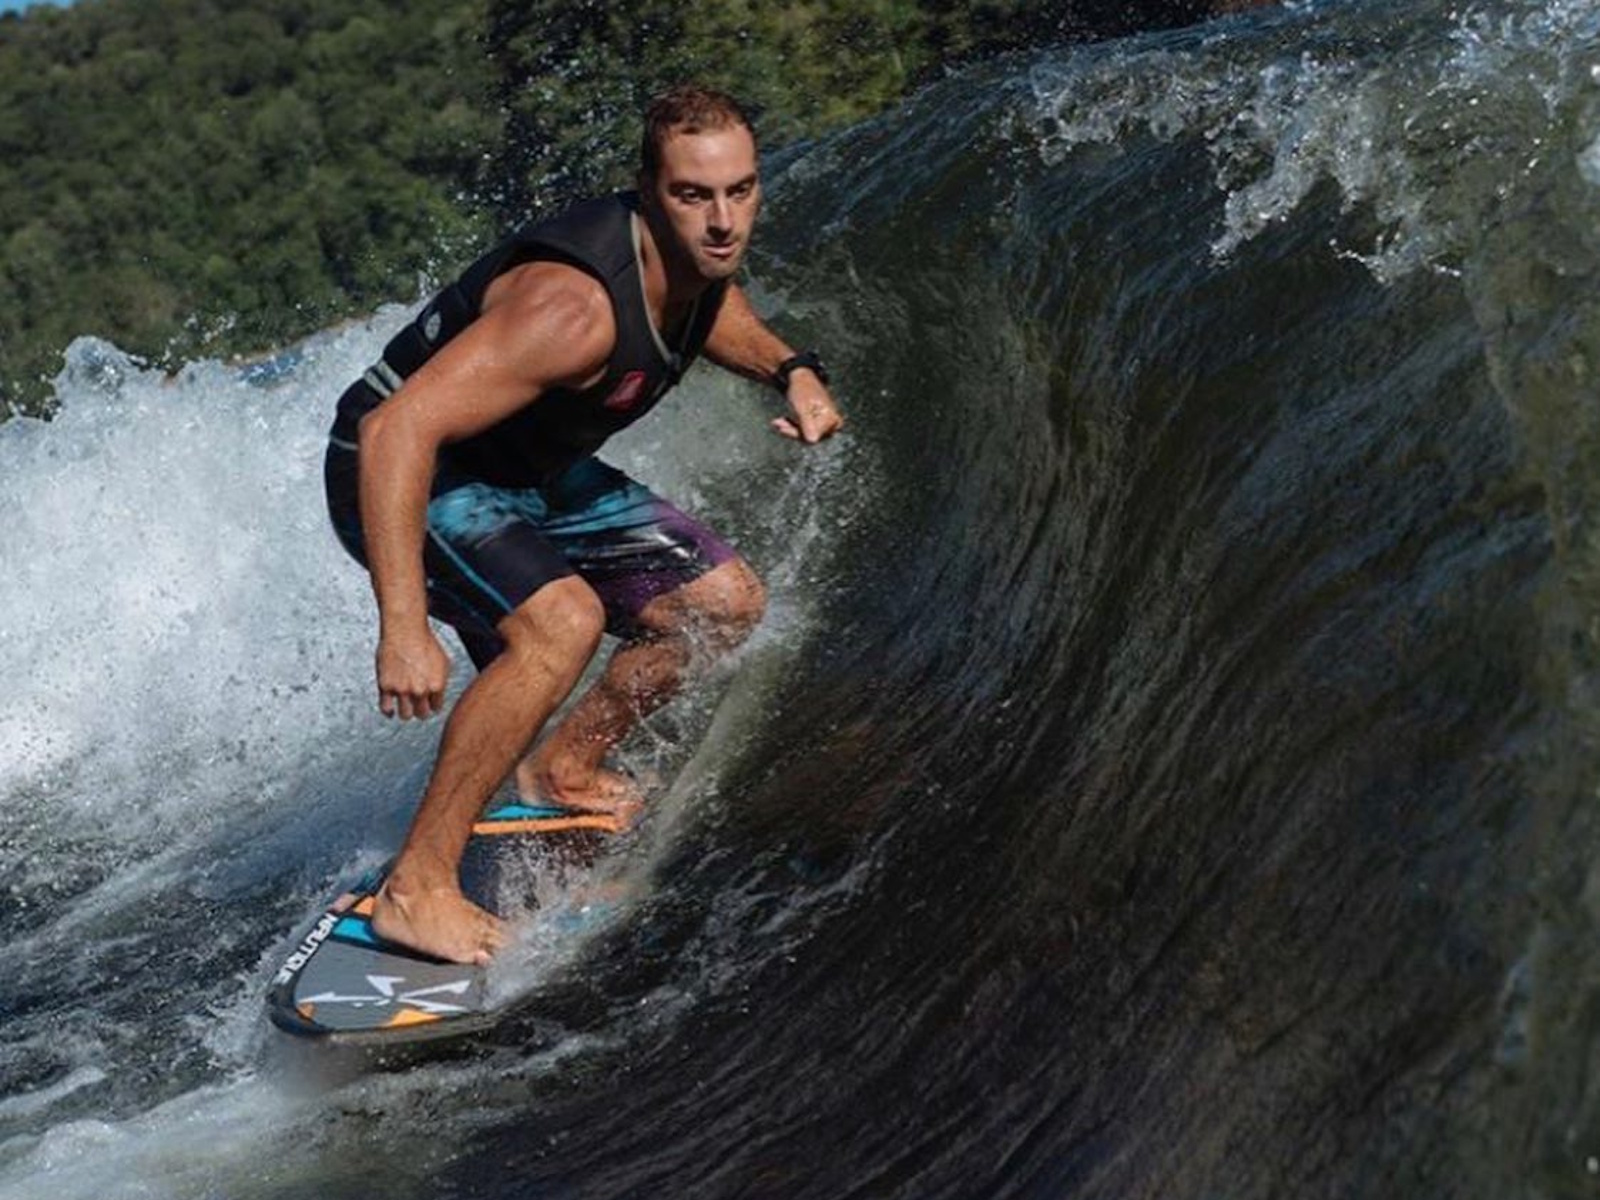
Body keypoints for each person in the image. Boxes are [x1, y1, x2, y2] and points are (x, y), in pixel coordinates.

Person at [321, 85, 842, 966]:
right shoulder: (571, 313)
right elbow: (393, 431)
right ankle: (416, 887)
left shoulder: (690, 255)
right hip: (406, 468)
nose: (722, 221)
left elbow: (713, 303)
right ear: (648, 193)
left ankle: (560, 769)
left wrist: (791, 369)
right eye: (693, 195)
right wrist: (403, 628)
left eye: (740, 191)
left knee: (722, 604)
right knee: (560, 626)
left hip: (525, 469)